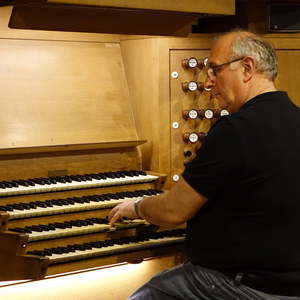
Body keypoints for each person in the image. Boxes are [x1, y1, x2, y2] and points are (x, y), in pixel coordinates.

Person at [108, 30, 300, 299]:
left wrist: (137, 206)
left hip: (239, 285)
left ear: (247, 68)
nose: (208, 84)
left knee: (149, 294)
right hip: (288, 286)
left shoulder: (236, 129)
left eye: (215, 71)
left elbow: (174, 211)